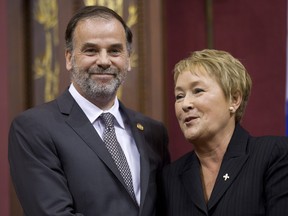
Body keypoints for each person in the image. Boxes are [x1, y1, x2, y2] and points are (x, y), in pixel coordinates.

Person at [8, 6, 170, 216]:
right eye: (91, 50)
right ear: (69, 58)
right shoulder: (33, 128)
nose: (104, 61)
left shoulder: (152, 132)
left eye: (114, 50)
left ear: (128, 59)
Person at [161, 49, 288, 215]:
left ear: (234, 99)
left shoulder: (274, 154)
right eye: (179, 96)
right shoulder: (170, 177)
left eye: (198, 91)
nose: (185, 104)